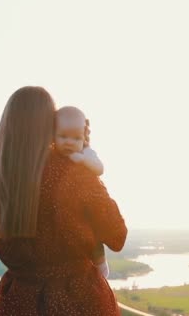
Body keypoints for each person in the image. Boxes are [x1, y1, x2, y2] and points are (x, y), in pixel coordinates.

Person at [0, 86, 127, 315]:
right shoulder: (74, 172)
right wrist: (85, 153)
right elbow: (117, 236)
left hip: (15, 303)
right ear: (50, 126)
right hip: (79, 302)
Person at [54, 106, 109, 278]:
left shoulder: (86, 153)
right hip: (63, 211)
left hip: (85, 206)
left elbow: (100, 168)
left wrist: (83, 160)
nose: (69, 142)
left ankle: (100, 265)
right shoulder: (51, 155)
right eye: (63, 137)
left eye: (76, 138)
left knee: (92, 235)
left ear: (84, 139)